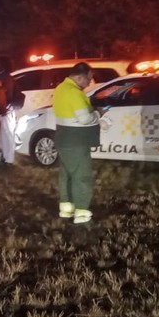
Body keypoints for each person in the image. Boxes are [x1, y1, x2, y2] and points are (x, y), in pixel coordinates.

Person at [54, 62, 104, 225]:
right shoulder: (74, 93)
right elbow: (85, 119)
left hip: (63, 138)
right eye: (89, 79)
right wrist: (98, 114)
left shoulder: (61, 88)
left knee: (66, 174)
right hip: (77, 140)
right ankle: (82, 213)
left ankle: (66, 209)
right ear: (79, 77)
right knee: (81, 175)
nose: (90, 82)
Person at [0, 55, 18, 167]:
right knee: (2, 136)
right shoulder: (0, 76)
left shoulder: (7, 78)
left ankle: (9, 160)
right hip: (1, 111)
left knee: (8, 135)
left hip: (6, 112)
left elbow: (7, 96)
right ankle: (4, 157)